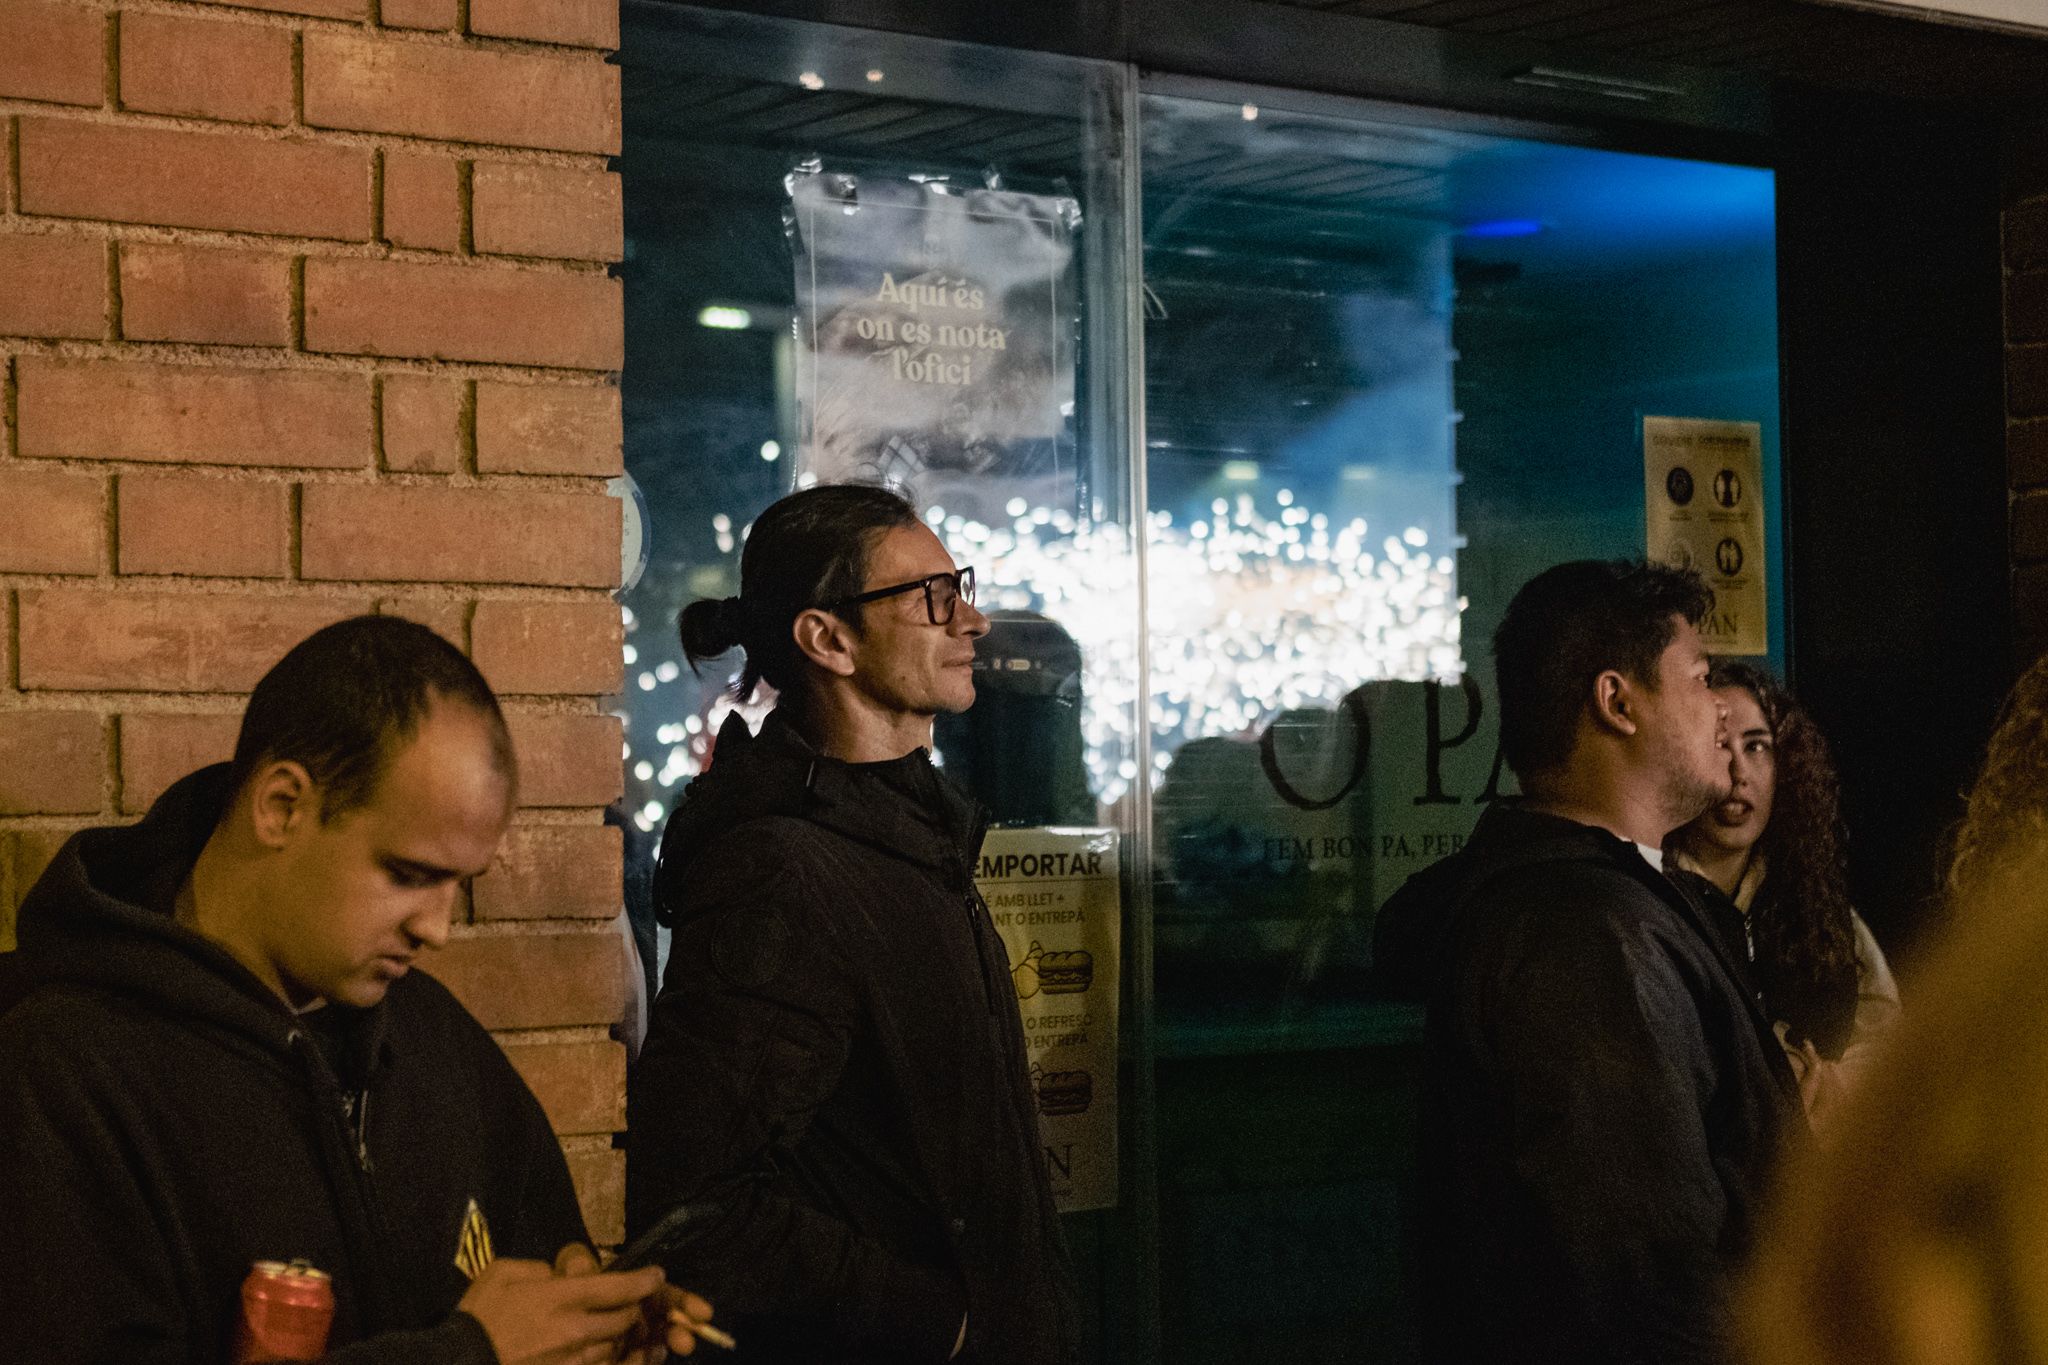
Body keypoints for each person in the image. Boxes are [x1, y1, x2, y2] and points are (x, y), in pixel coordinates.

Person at [0, 616, 714, 1364]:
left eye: (458, 885)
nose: (437, 928)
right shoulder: (59, 1072)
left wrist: (585, 1322)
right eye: (407, 874)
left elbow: (537, 1258)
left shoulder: (436, 1039)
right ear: (281, 806)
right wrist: (468, 1354)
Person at [627, 483, 1081, 1365]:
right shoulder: (783, 872)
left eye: (964, 587)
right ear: (826, 637)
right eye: (934, 597)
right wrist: (937, 1324)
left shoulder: (914, 835)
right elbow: (695, 1198)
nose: (974, 621)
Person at [1373, 560, 1800, 1365]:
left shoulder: (1601, 903)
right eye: (1702, 679)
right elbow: (1652, 1289)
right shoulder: (1588, 939)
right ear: (1617, 702)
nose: (1720, 710)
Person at [1667, 661, 1900, 1131]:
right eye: (1717, 744)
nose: (1737, 772)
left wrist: (1837, 1088)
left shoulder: (1817, 903)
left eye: (1756, 746)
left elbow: (1890, 1039)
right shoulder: (1653, 900)